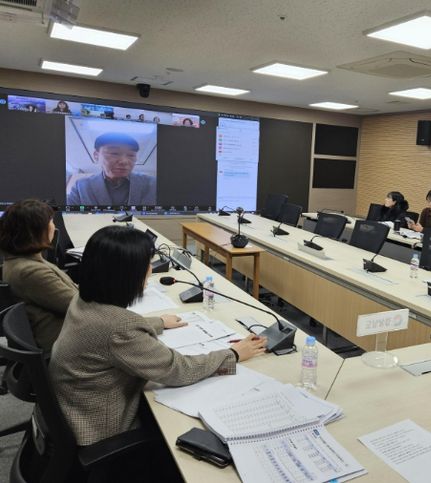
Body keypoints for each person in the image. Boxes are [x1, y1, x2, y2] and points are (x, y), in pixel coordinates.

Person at [49, 225, 267, 445]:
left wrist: (159, 322)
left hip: (75, 410)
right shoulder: (120, 328)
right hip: (100, 429)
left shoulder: (82, 299)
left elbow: (108, 329)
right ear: (126, 275)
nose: (151, 271)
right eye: (147, 265)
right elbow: (178, 369)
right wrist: (233, 354)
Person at [0, 199, 77, 351]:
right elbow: (77, 306)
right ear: (36, 231)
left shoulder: (24, 260)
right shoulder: (30, 272)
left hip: (66, 335)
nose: (53, 226)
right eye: (50, 221)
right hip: (63, 344)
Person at [66, 132, 157, 206]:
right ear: (96, 155)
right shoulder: (81, 187)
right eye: (114, 153)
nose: (124, 161)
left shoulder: (153, 184)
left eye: (131, 155)